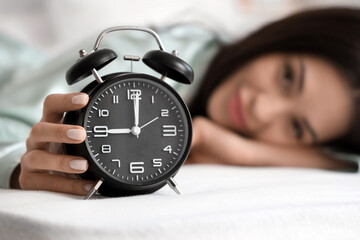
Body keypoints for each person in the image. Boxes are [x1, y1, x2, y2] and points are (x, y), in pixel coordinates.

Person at [1, 7, 359, 196]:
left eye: (296, 127)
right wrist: (19, 170)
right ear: (279, 37)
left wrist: (249, 153)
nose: (262, 109)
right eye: (287, 77)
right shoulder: (141, 58)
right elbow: (10, 121)